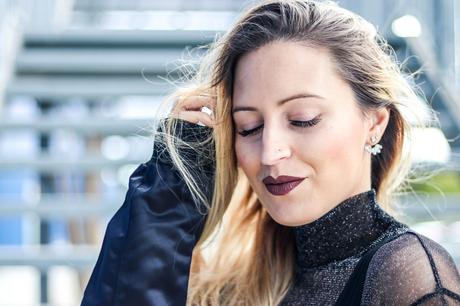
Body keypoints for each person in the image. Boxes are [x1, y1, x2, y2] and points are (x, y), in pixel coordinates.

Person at [81, 0, 460, 305]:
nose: (269, 153)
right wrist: (167, 197)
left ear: (374, 123)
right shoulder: (230, 287)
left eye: (303, 119)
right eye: (249, 127)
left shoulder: (409, 275)